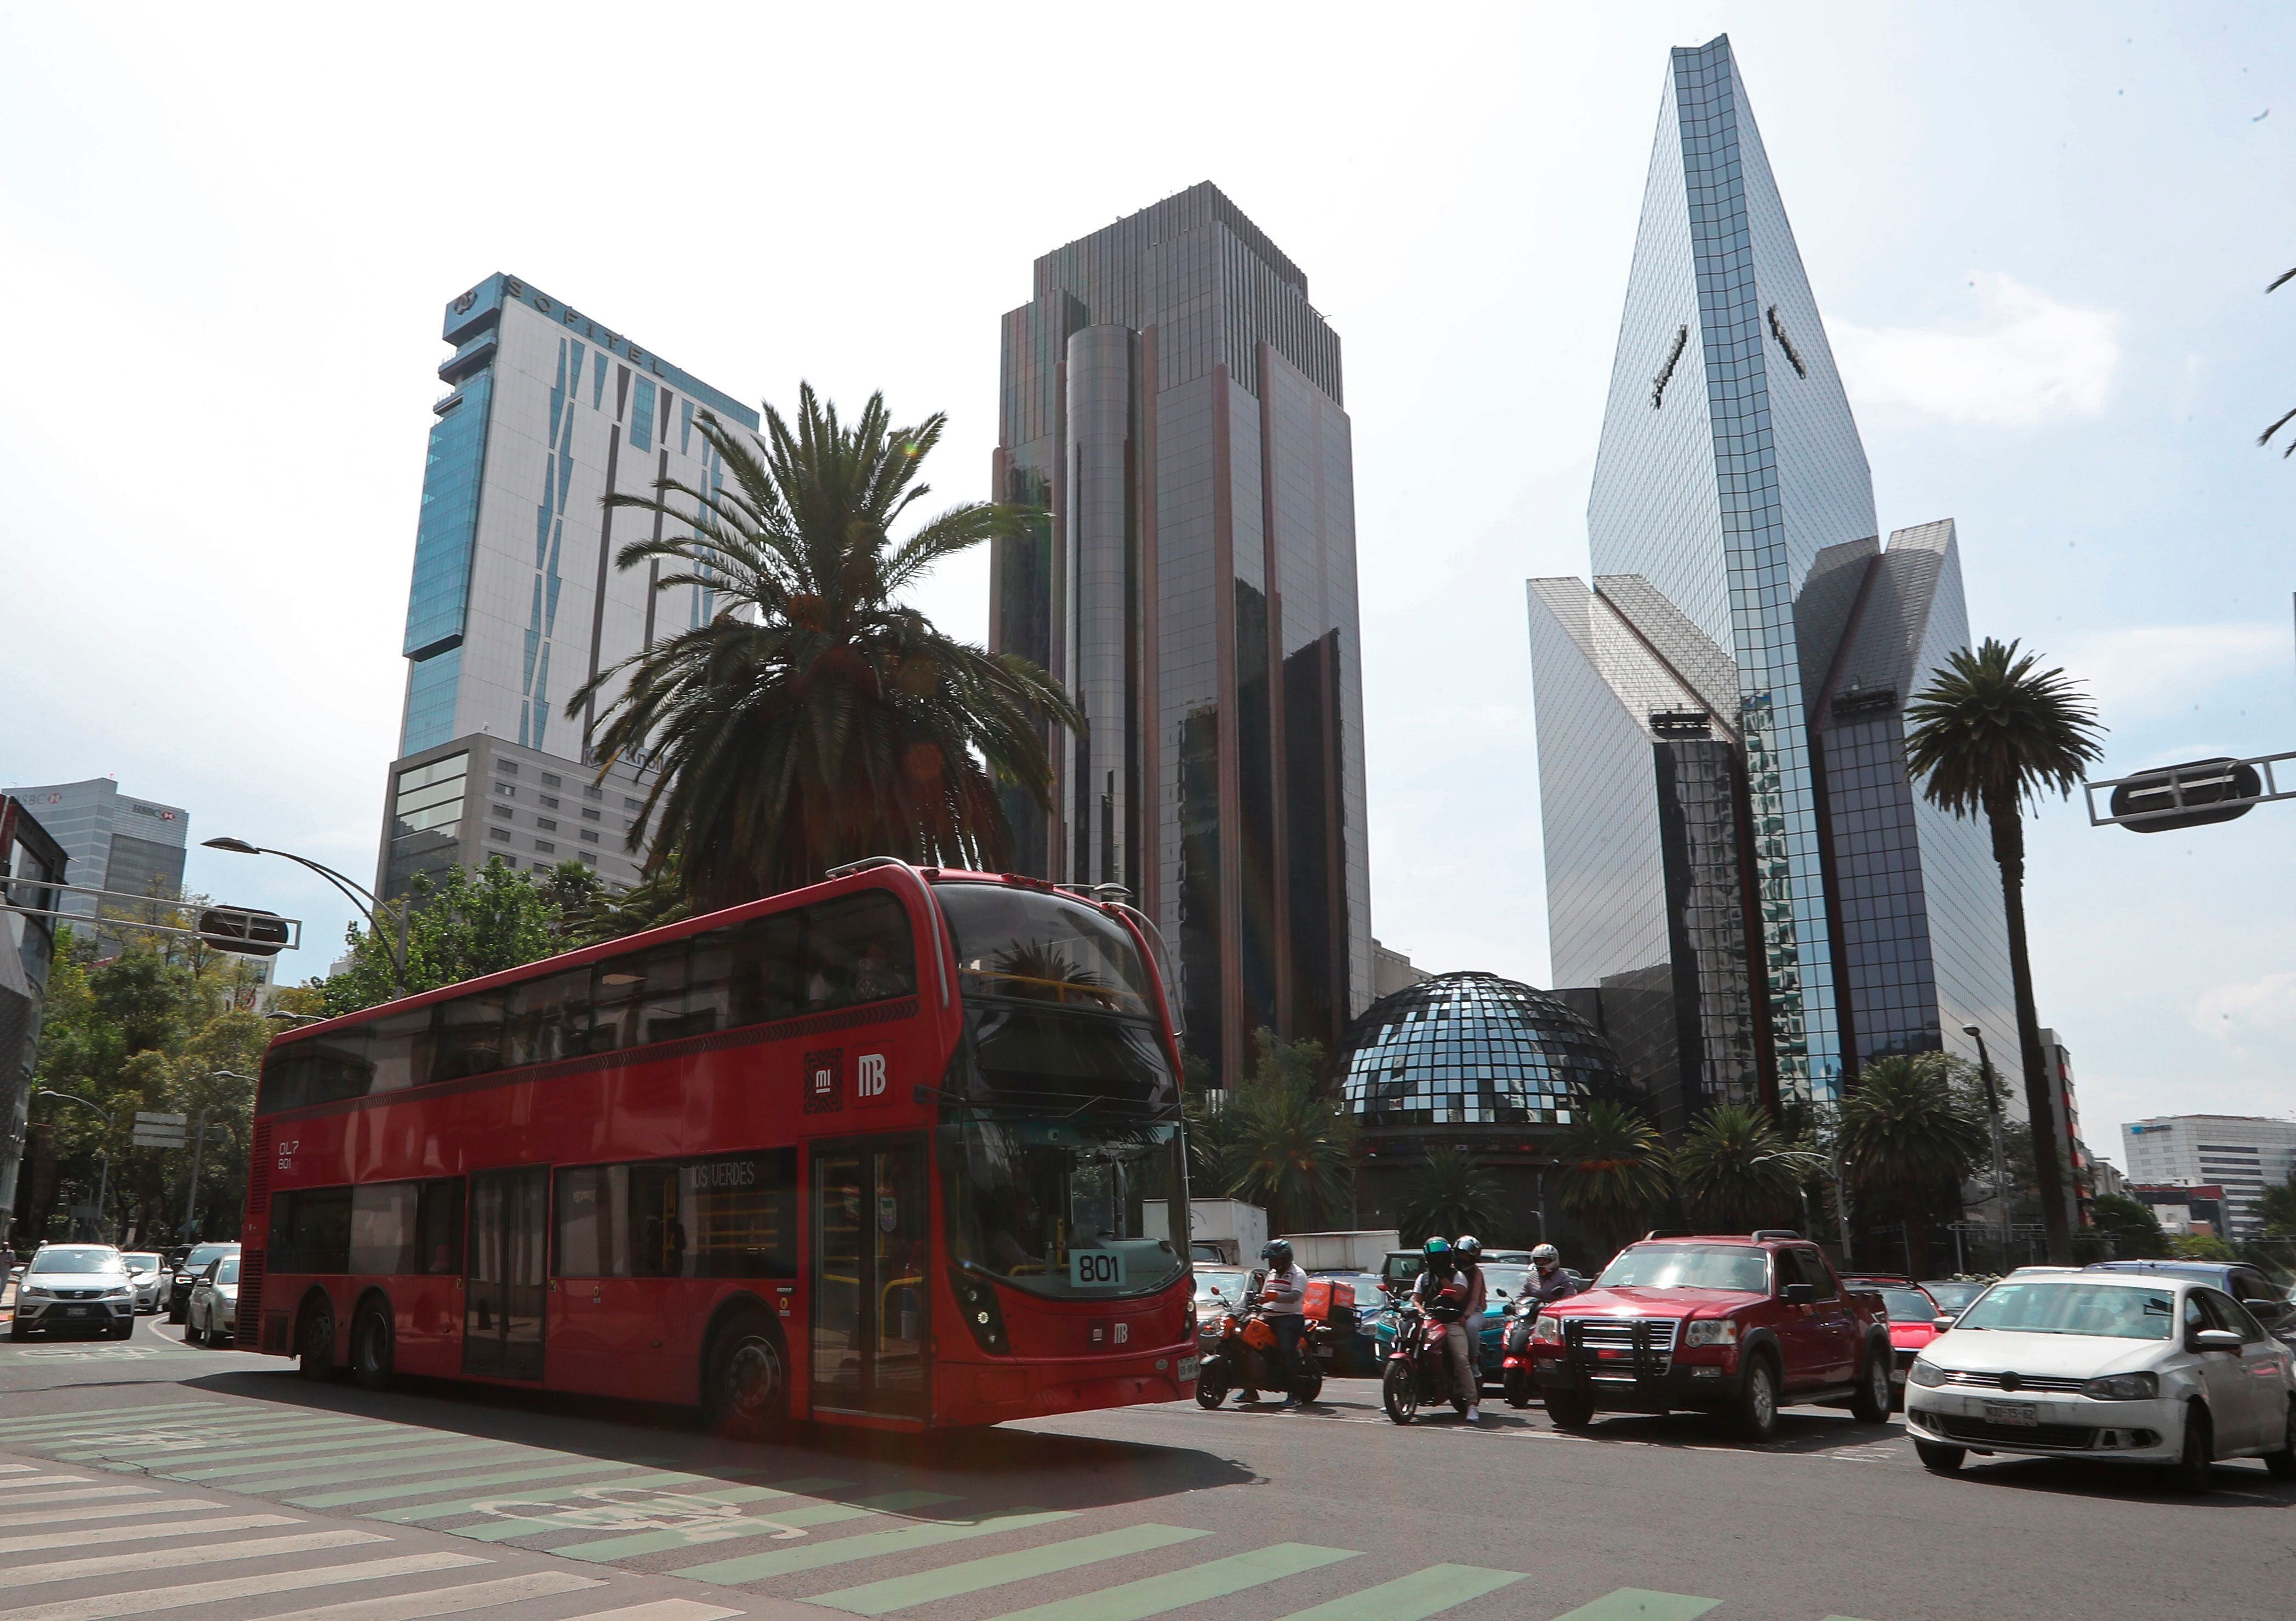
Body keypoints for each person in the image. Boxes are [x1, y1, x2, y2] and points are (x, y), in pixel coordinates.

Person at [1411, 1237, 1478, 1421]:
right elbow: (1417, 1300)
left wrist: (1442, 1277)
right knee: (1409, 1347)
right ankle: (1399, 1396)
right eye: (1434, 1258)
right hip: (1428, 1322)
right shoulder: (1423, 1278)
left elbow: (1458, 1296)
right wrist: (1423, 1312)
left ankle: (1472, 1404)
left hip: (1451, 1323)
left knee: (1461, 1360)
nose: (1437, 1261)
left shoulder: (1458, 1276)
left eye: (1440, 1257)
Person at [1256, 1238, 1310, 1408]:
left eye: (1275, 1259)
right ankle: (1250, 1389)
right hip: (1268, 1316)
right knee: (1247, 1342)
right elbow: (1264, 1295)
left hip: (1289, 1319)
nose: (1272, 1263)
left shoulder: (1298, 1274)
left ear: (1285, 1258)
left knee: (1286, 1351)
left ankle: (1294, 1394)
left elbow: (1295, 1295)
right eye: (1270, 1260)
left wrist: (1274, 1297)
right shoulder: (1271, 1274)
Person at [1526, 1243, 1577, 1307]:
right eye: (1539, 1261)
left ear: (1554, 1260)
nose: (1541, 1263)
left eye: (1545, 1261)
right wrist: (1516, 1305)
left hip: (1553, 1310)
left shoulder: (1563, 1277)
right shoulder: (1531, 1277)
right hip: (1532, 1310)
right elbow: (1522, 1295)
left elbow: (1570, 1299)